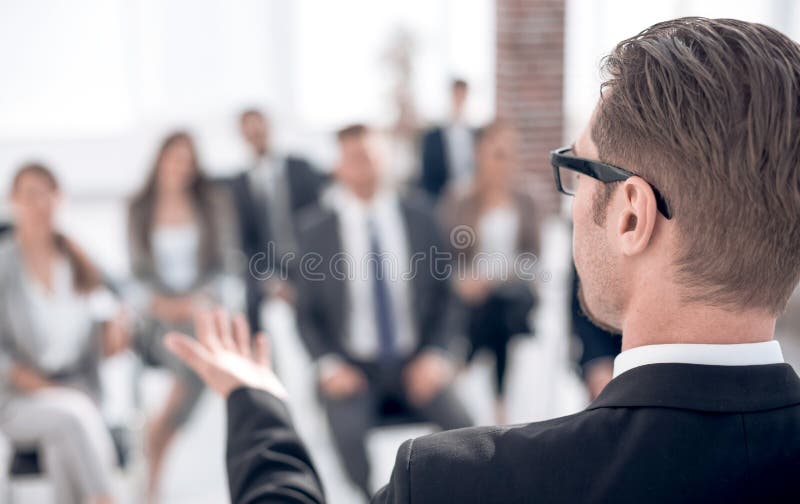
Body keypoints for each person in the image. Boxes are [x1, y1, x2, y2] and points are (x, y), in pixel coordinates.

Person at [166, 17, 800, 504]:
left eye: (576, 169)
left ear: (632, 215)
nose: (571, 203)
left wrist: (257, 406)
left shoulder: (458, 483)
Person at [294, 124, 471, 498]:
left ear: (386, 159)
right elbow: (306, 314)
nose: (364, 166)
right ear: (338, 166)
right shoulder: (315, 231)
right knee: (346, 438)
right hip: (352, 367)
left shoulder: (421, 216)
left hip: (416, 361)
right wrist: (329, 365)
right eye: (353, 158)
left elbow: (447, 298)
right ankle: (371, 498)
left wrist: (437, 356)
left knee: (468, 431)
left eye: (371, 156)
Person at [0, 163, 128, 504]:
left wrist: (114, 330)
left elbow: (123, 300)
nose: (40, 204)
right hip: (18, 399)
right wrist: (42, 386)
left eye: (48, 194)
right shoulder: (4, 267)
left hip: (79, 387)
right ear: (13, 201)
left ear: (60, 199)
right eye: (30, 195)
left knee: (63, 446)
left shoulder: (78, 259)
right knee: (74, 414)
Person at [127, 131, 237, 501]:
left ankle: (157, 437)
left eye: (188, 162)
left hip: (201, 312)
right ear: (160, 161)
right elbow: (133, 277)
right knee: (198, 357)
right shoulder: (138, 208)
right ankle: (158, 450)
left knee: (199, 346)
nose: (180, 168)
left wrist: (198, 299)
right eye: (174, 159)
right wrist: (160, 303)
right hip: (156, 321)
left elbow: (227, 268)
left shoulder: (213, 204)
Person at [440, 120, 538, 423]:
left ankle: (469, 356)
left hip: (516, 290)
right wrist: (463, 279)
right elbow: (443, 257)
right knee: (496, 315)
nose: (505, 162)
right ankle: (500, 402)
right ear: (479, 154)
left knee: (501, 301)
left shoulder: (526, 200)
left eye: (511, 154)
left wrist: (496, 276)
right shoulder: (459, 199)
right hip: (474, 296)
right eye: (498, 153)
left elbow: (533, 258)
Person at [228, 108, 328, 332]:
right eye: (249, 131)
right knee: (257, 317)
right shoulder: (239, 184)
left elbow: (320, 222)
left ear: (269, 128)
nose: (256, 135)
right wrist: (269, 280)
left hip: (310, 263)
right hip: (266, 269)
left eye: (259, 128)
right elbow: (245, 241)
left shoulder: (301, 168)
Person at [419, 79, 475, 200]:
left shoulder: (476, 136)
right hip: (440, 201)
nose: (459, 100)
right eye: (456, 95)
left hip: (470, 201)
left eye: (462, 95)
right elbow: (426, 176)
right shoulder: (432, 138)